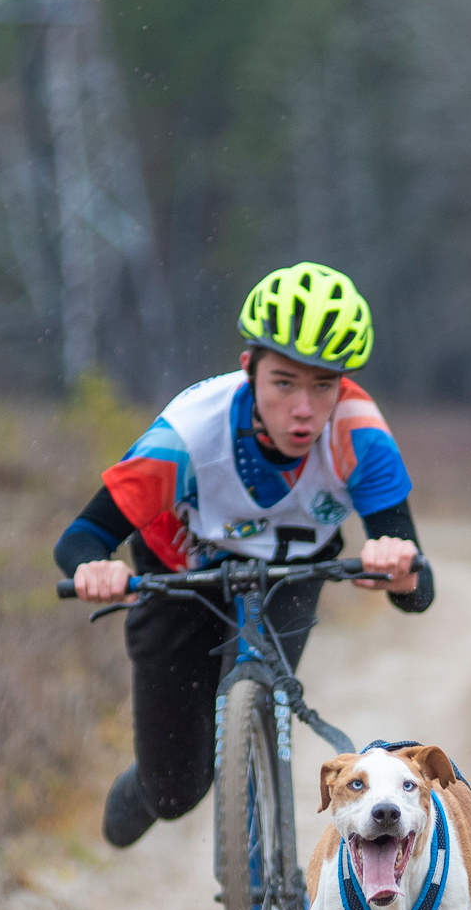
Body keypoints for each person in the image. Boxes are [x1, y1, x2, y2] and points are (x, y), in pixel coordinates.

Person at [57, 262, 431, 849]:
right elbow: (81, 536)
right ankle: (148, 791)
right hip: (177, 576)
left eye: (323, 385)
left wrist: (400, 568)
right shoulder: (190, 432)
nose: (304, 409)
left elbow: (418, 588)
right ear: (249, 371)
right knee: (178, 789)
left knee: (259, 693)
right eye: (284, 383)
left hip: (290, 575)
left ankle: (271, 845)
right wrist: (94, 567)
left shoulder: (361, 435)